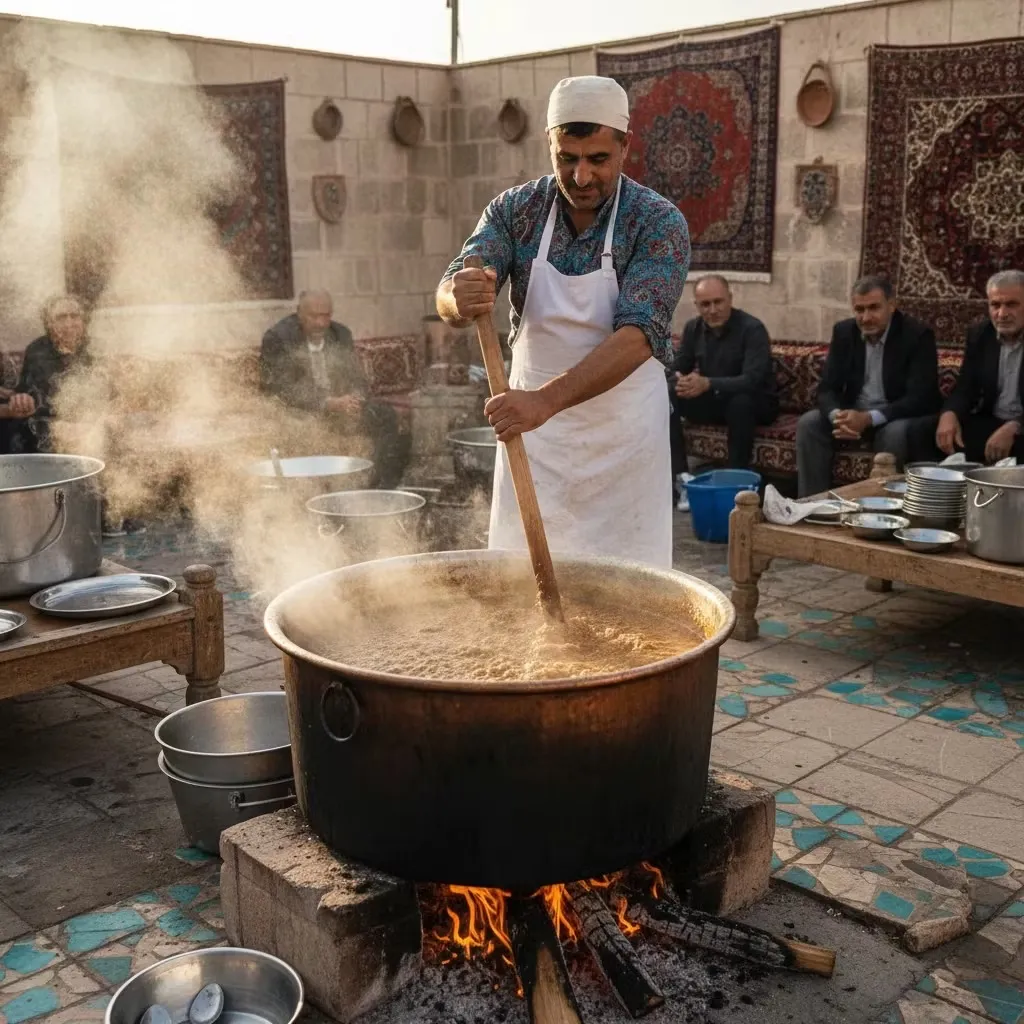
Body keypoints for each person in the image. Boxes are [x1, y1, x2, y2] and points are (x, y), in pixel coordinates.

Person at [435, 76, 690, 569]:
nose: (580, 177)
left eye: (597, 159)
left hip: (622, 439)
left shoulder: (657, 222)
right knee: (518, 584)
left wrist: (545, 402)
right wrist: (456, 298)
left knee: (627, 591)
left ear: (625, 146)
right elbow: (451, 288)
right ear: (549, 144)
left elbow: (638, 338)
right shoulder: (515, 211)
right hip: (535, 442)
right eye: (566, 158)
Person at [796, 274, 940, 497]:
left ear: (892, 306)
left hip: (895, 414)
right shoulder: (844, 332)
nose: (866, 317)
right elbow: (827, 389)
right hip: (854, 414)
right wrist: (838, 417)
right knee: (809, 423)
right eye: (859, 310)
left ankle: (881, 509)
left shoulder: (917, 335)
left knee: (895, 433)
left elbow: (920, 398)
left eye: (874, 308)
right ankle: (812, 505)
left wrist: (869, 418)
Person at [259, 290, 408, 488]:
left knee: (385, 416)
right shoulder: (279, 338)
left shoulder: (340, 334)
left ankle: (378, 487)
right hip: (301, 409)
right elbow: (282, 388)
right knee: (303, 426)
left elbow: (356, 377)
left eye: (326, 315)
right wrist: (328, 403)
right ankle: (313, 492)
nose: (321, 323)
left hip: (341, 408)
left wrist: (355, 399)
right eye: (314, 316)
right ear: (299, 314)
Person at [670, 275, 778, 474]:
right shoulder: (693, 328)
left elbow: (752, 380)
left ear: (730, 298)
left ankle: (736, 480)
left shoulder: (752, 329)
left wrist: (708, 383)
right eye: (705, 304)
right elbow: (681, 364)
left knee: (740, 403)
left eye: (718, 302)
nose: (712, 310)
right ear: (697, 305)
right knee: (667, 393)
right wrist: (679, 380)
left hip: (755, 402)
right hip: (715, 400)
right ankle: (680, 476)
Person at [914, 270, 1024, 464]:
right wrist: (949, 414)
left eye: (1012, 304)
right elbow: (966, 387)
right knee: (925, 431)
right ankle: (935, 492)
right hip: (991, 420)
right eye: (995, 305)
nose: (1002, 314)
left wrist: (1015, 427)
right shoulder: (981, 334)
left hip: (1020, 426)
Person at [8, 294, 93, 455]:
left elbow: (112, 399)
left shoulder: (96, 349)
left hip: (90, 428)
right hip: (49, 429)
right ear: (49, 323)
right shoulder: (37, 350)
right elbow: (26, 392)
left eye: (74, 316)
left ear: (84, 320)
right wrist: (22, 399)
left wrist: (88, 424)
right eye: (61, 317)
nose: (69, 323)